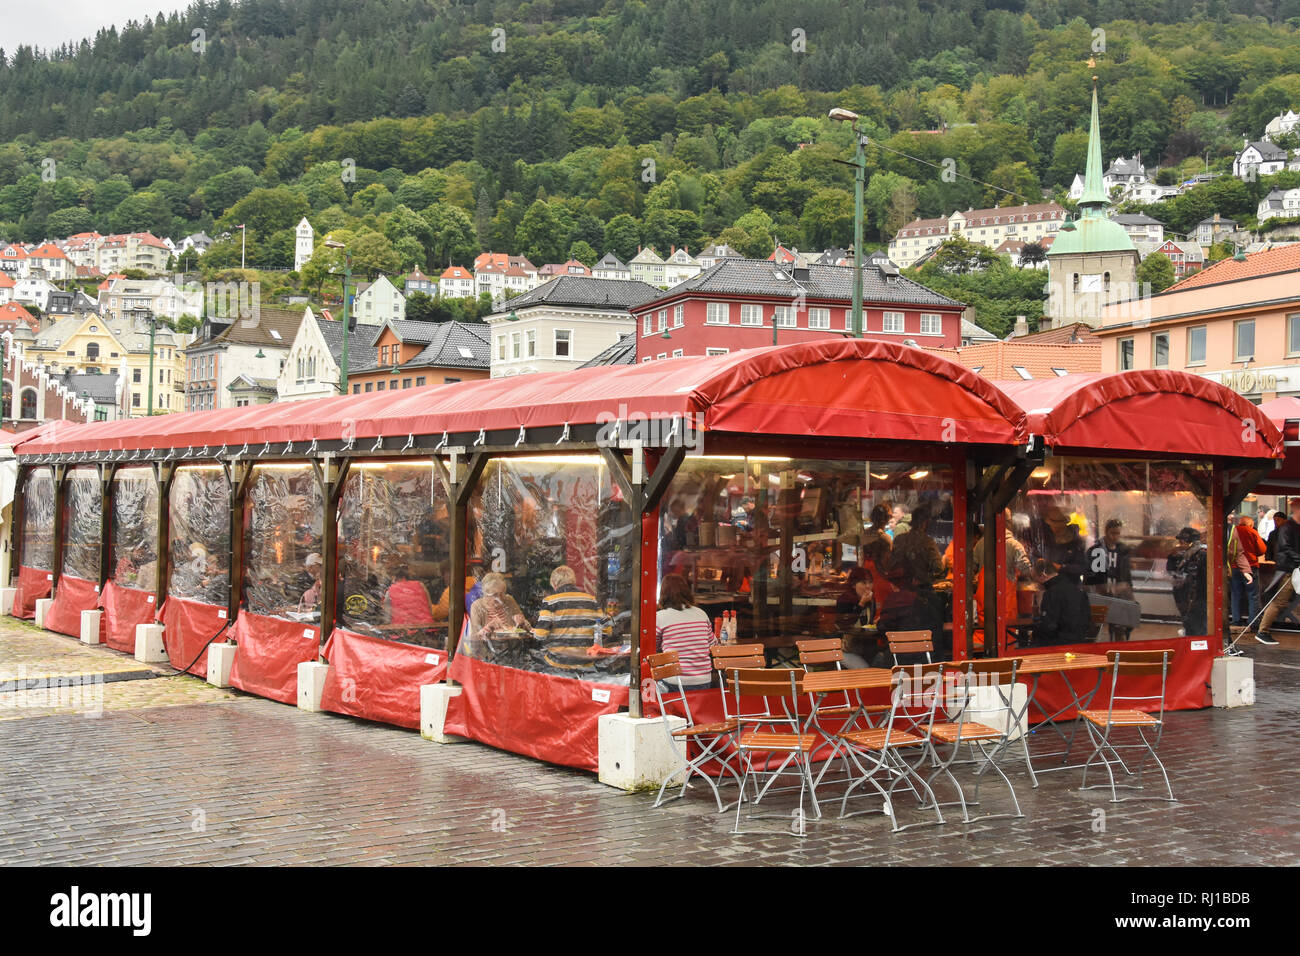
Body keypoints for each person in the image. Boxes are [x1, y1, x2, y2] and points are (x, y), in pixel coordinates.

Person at [1249, 497, 1300, 644]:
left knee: (1280, 601)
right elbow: (1285, 548)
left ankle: (1262, 630)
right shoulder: (1288, 527)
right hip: (1288, 570)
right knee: (1279, 601)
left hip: (1292, 568)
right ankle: (1262, 631)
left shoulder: (1292, 527)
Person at [534, 565, 604, 671]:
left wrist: (534, 631)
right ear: (574, 581)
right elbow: (606, 630)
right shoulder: (591, 600)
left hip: (558, 662)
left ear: (553, 583)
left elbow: (540, 635)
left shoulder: (550, 601)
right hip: (586, 661)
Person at [654, 574, 716, 689]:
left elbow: (654, 647)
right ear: (687, 591)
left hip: (675, 681)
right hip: (703, 680)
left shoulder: (660, 617)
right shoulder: (701, 614)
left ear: (663, 594)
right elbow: (713, 644)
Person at [1085, 518, 1134, 639]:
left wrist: (1127, 589)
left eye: (1118, 533)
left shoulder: (1123, 551)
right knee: (1094, 627)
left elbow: (1126, 575)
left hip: (1118, 594)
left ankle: (1119, 652)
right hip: (1101, 593)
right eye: (1113, 533)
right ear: (1106, 532)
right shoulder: (1097, 550)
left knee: (1120, 628)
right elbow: (1091, 575)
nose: (1115, 537)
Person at [1033, 558, 1092, 646]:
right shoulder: (1077, 590)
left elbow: (1049, 625)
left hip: (1058, 643)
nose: (1036, 584)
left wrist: (1035, 632)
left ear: (1042, 575)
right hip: (1079, 640)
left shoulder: (1051, 593)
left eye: (1035, 579)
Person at [1166, 527, 1208, 637]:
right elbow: (1171, 569)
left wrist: (1191, 602)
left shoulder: (1200, 555)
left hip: (1195, 601)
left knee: (1196, 628)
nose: (1179, 544)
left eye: (1181, 541)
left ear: (1189, 542)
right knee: (1190, 626)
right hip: (1188, 600)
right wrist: (1172, 556)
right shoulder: (1186, 554)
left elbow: (1194, 581)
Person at [468, 571, 528, 643]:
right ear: (486, 594)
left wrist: (522, 623)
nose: (499, 598)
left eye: (502, 593)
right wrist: (488, 628)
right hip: (488, 651)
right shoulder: (477, 606)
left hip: (512, 648)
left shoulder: (509, 600)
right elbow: (473, 638)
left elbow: (527, 628)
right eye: (495, 594)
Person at [1228, 515, 1266, 627]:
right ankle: (1253, 622)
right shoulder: (1252, 531)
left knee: (1235, 594)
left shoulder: (1232, 531)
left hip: (1234, 567)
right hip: (1251, 566)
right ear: (1250, 524)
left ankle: (1236, 620)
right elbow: (1262, 549)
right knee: (1253, 594)